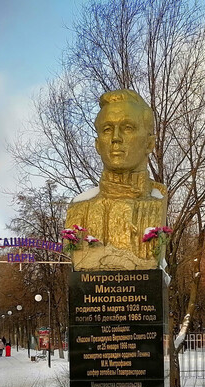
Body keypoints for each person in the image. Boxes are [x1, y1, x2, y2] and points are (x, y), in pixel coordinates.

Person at [65, 89, 167, 270]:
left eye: (128, 128)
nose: (116, 138)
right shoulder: (78, 212)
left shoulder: (157, 204)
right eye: (107, 129)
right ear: (98, 145)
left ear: (149, 143)